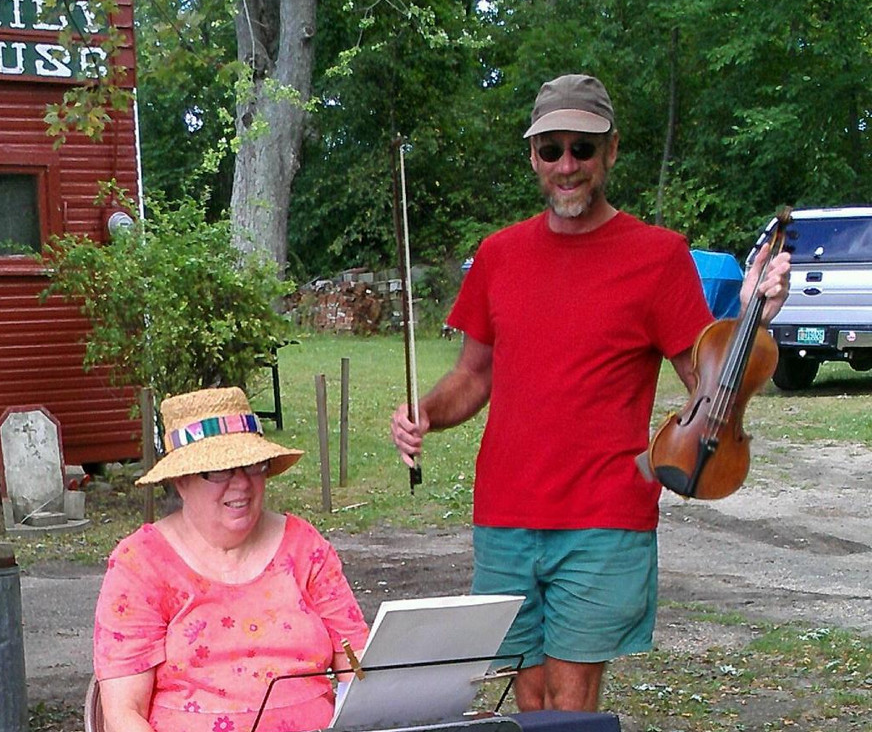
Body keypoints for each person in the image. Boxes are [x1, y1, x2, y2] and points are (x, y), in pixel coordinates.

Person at [390, 73, 791, 713]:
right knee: (528, 696)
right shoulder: (499, 255)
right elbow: (474, 374)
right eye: (552, 149)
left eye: (583, 147)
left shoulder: (659, 256)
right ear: (533, 157)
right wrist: (426, 413)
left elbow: (709, 389)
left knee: (569, 701)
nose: (567, 164)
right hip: (505, 512)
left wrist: (749, 322)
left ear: (611, 151)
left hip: (604, 513)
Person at [94, 386, 368, 732]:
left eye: (252, 466)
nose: (241, 484)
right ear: (181, 481)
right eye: (219, 470)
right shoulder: (141, 564)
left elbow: (356, 667)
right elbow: (123, 715)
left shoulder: (304, 547)